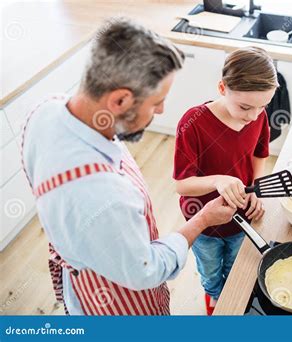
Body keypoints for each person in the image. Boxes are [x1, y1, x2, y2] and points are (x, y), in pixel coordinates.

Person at [21, 18, 236, 315]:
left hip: (83, 275)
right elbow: (146, 269)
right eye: (156, 102)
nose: (161, 110)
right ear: (120, 99)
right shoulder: (104, 196)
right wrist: (202, 219)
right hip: (114, 301)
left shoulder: (47, 109)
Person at [173, 47, 278, 315]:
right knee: (211, 272)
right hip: (204, 224)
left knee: (236, 268)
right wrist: (218, 180)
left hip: (241, 215)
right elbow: (182, 185)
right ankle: (217, 303)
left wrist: (258, 190)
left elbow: (259, 154)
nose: (253, 116)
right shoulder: (193, 123)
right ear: (222, 88)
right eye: (245, 107)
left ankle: (230, 301)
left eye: (262, 106)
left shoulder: (258, 116)